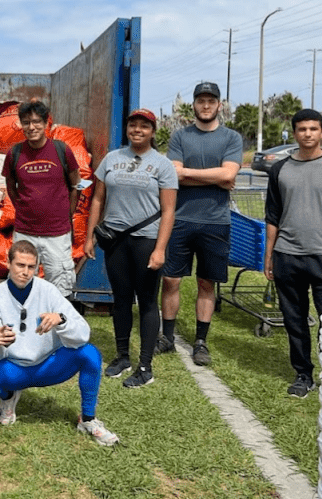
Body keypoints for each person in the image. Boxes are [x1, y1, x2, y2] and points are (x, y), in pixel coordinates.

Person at [0, 240, 119, 446]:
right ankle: (8, 395)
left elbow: (83, 334)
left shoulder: (48, 290)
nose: (25, 272)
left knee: (90, 354)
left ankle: (87, 419)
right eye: (20, 265)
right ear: (8, 263)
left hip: (48, 365)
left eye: (31, 267)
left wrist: (62, 320)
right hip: (15, 368)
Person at [264, 109, 322, 398]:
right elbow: (272, 217)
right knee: (294, 320)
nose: (307, 134)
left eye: (313, 129)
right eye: (302, 129)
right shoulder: (279, 170)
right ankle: (303, 374)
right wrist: (269, 256)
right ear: (294, 133)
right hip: (287, 255)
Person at [85, 108, 177, 387]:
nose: (138, 130)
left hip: (146, 240)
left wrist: (160, 249)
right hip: (115, 240)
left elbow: (169, 211)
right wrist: (89, 237)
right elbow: (98, 199)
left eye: (144, 126)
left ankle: (145, 367)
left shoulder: (163, 165)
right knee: (121, 299)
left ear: (153, 132)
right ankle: (122, 356)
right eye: (133, 125)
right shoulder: (111, 159)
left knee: (147, 301)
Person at [158, 82, 242, 366]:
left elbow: (228, 175)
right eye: (201, 101)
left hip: (215, 221)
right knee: (170, 279)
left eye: (211, 101)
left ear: (219, 105)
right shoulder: (180, 136)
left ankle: (201, 341)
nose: (206, 106)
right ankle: (167, 336)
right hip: (180, 219)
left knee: (206, 283)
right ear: (193, 105)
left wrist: (189, 173)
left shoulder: (231, 138)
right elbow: (174, 175)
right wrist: (215, 177)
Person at [3, 100, 81, 297]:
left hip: (57, 234)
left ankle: (55, 317)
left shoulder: (62, 150)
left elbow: (76, 185)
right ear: (21, 125)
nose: (32, 127)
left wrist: (67, 213)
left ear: (46, 123)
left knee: (60, 287)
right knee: (21, 283)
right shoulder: (15, 153)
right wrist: (23, 208)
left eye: (37, 122)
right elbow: (10, 186)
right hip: (25, 232)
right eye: (26, 122)